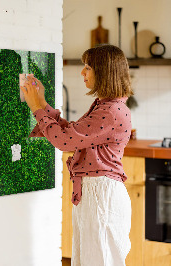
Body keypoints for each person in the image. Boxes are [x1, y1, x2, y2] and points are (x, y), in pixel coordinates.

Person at [21, 44, 133, 266]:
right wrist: (42, 103)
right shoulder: (106, 106)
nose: (82, 72)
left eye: (88, 67)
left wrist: (36, 108)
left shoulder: (110, 111)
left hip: (101, 196)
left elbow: (64, 141)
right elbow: (72, 133)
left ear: (104, 72)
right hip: (96, 193)